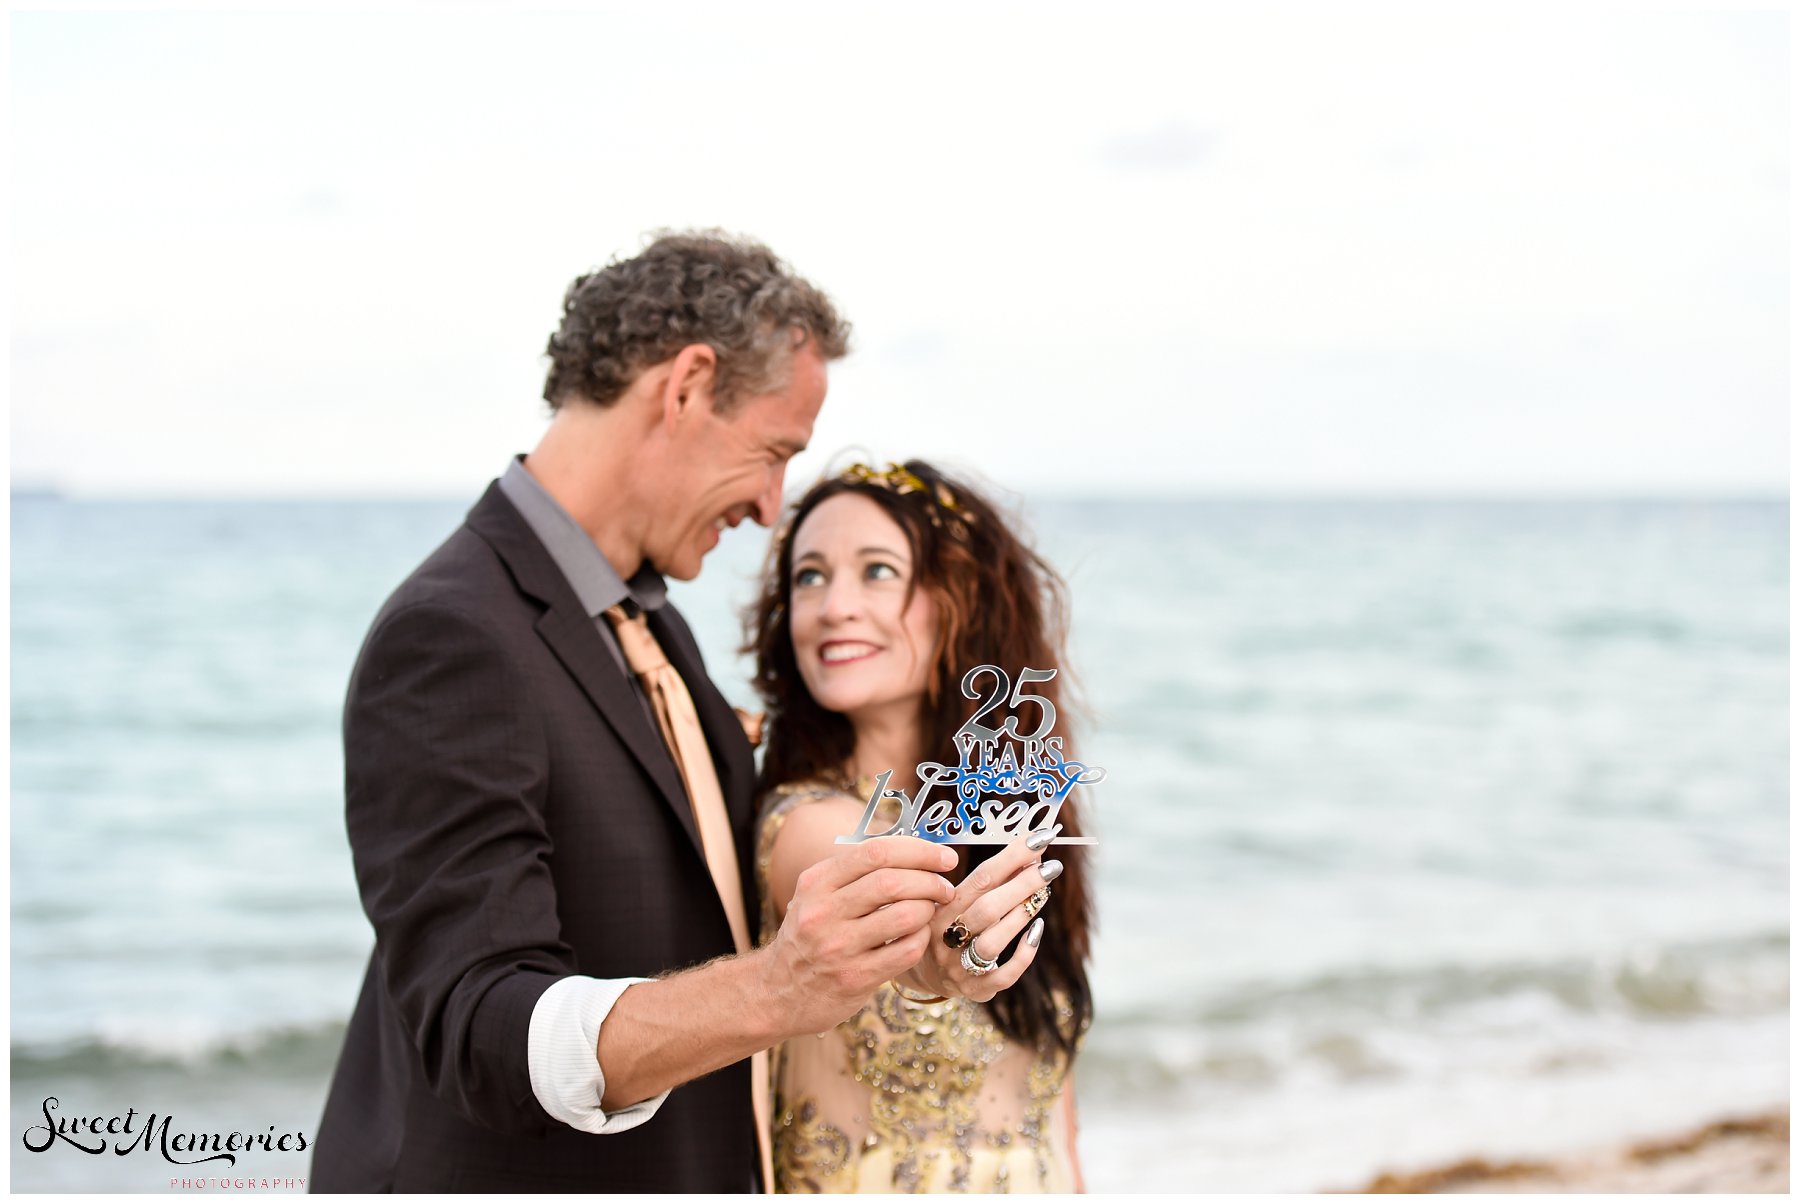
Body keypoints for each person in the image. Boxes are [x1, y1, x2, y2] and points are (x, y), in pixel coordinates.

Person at [311, 234, 1023, 1192]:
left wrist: (914, 946)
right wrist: (779, 989)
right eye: (774, 453)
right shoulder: (452, 635)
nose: (774, 509)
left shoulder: (655, 627)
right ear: (686, 385)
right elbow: (482, 1027)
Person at [743, 459, 1096, 1193]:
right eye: (809, 577)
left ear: (961, 597)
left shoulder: (1019, 816)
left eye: (876, 571)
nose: (834, 604)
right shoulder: (806, 825)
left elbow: (1057, 1121)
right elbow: (908, 929)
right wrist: (943, 961)